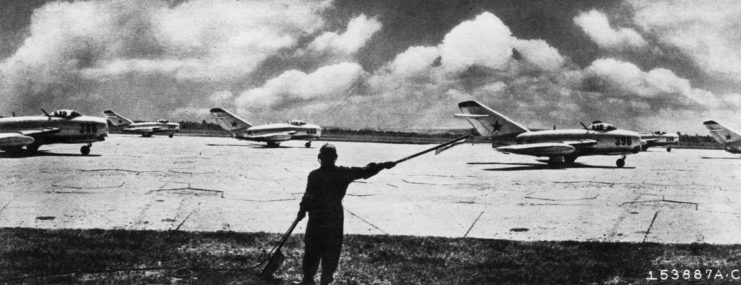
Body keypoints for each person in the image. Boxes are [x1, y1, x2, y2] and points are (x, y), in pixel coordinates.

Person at [295, 143, 395, 285]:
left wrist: (302, 210)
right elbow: (365, 170)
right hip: (334, 216)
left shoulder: (314, 175)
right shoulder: (343, 173)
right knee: (331, 249)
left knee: (313, 247)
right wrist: (383, 165)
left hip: (317, 217)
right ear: (335, 158)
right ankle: (324, 279)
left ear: (319, 157)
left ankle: (309, 279)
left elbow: (308, 196)